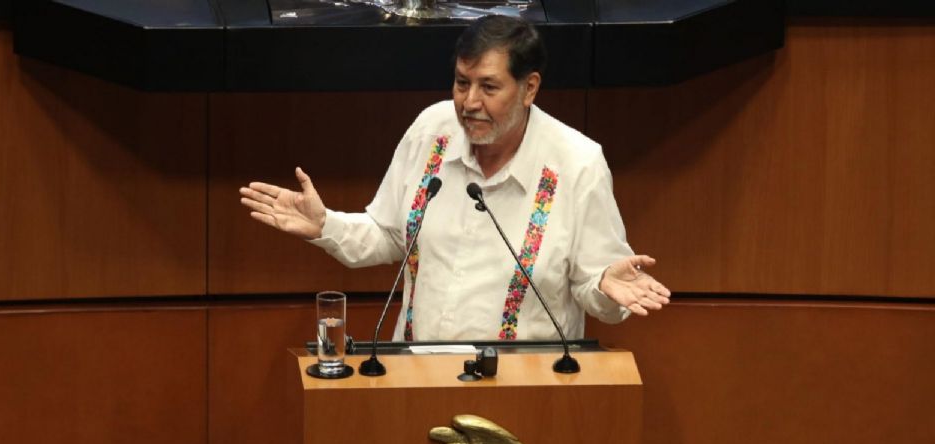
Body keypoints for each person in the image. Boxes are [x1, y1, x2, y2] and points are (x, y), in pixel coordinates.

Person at [240, 15, 670, 342]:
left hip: (527, 390)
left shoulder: (577, 164)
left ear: (530, 88)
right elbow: (389, 235)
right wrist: (325, 225)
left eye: (489, 87)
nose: (469, 103)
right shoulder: (433, 130)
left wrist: (606, 288)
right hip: (419, 377)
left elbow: (597, 289)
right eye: (462, 83)